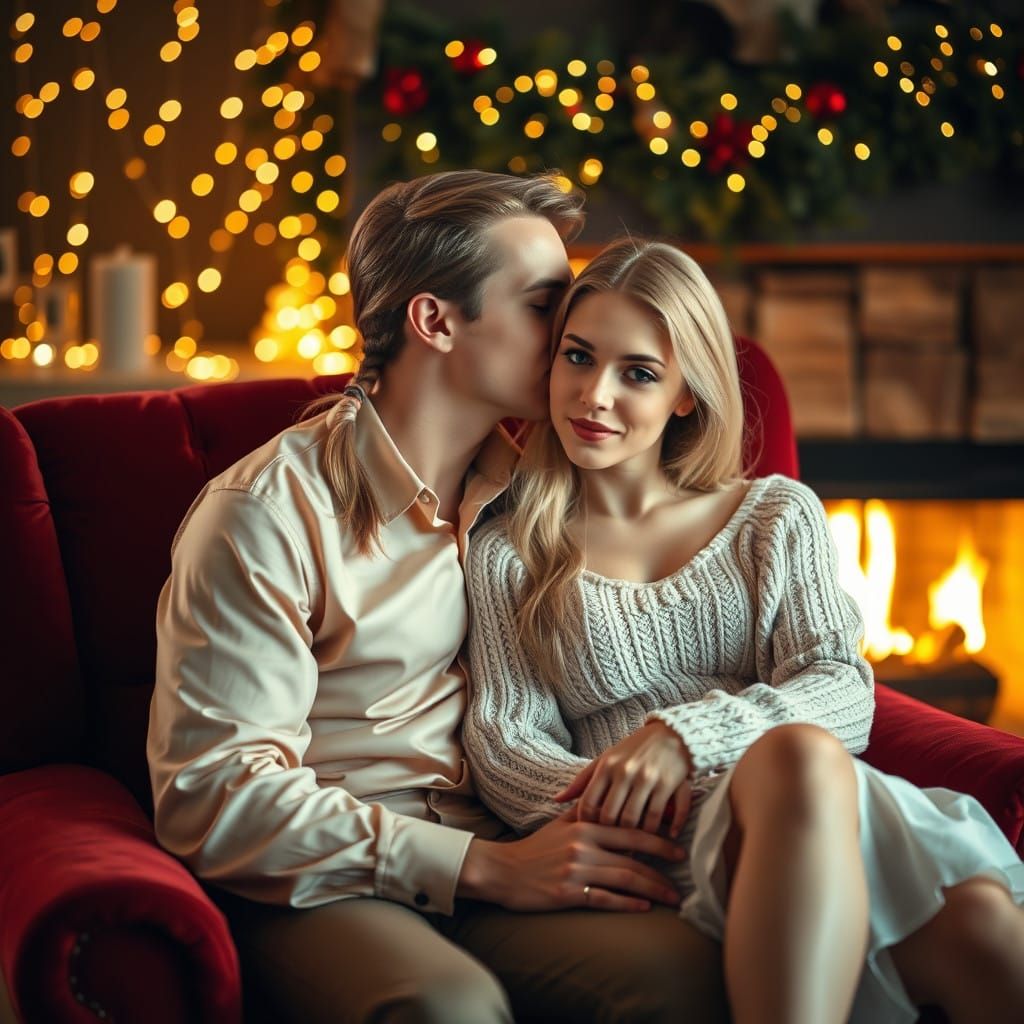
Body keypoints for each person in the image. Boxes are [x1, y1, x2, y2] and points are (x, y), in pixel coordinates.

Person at [147, 173, 730, 1024]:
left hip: (514, 848)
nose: (573, 333)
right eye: (543, 305)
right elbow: (215, 795)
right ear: (435, 321)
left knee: (690, 977)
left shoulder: (551, 487)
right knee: (446, 1010)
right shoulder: (265, 516)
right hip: (327, 882)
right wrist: (483, 868)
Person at [464, 237, 1024, 1024]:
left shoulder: (772, 517)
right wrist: (633, 811)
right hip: (669, 845)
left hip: (812, 814)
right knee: (822, 779)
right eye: (577, 357)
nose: (594, 395)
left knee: (984, 929)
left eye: (639, 374)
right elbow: (505, 742)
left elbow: (841, 690)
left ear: (685, 395)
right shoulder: (509, 550)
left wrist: (679, 738)